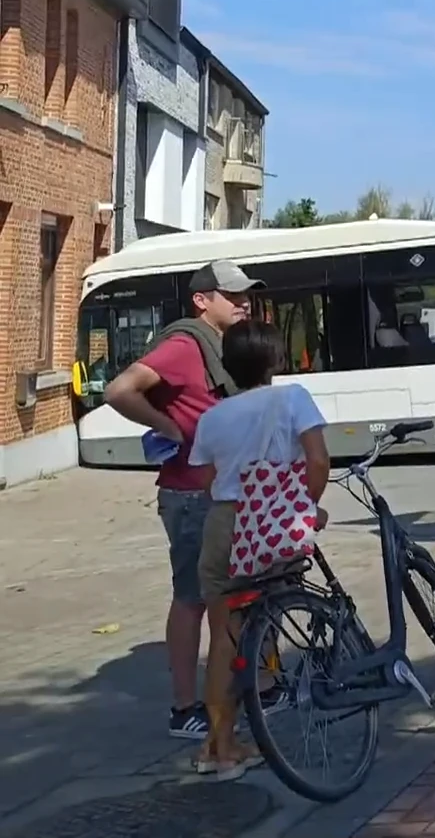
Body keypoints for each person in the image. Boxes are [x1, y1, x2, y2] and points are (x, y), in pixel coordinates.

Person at [103, 260, 263, 739]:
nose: (243, 303)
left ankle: (247, 689)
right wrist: (166, 426)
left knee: (236, 596)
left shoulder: (224, 348)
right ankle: (184, 708)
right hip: (191, 495)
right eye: (232, 295)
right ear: (202, 300)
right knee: (193, 598)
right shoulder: (184, 345)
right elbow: (118, 390)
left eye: (245, 295)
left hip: (225, 490)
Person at [189, 320, 328, 778]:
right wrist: (307, 509)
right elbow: (318, 459)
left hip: (225, 524)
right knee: (269, 613)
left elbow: (209, 483)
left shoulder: (212, 417)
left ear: (227, 365)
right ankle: (251, 716)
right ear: (276, 360)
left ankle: (219, 748)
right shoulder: (292, 398)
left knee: (224, 636)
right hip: (272, 523)